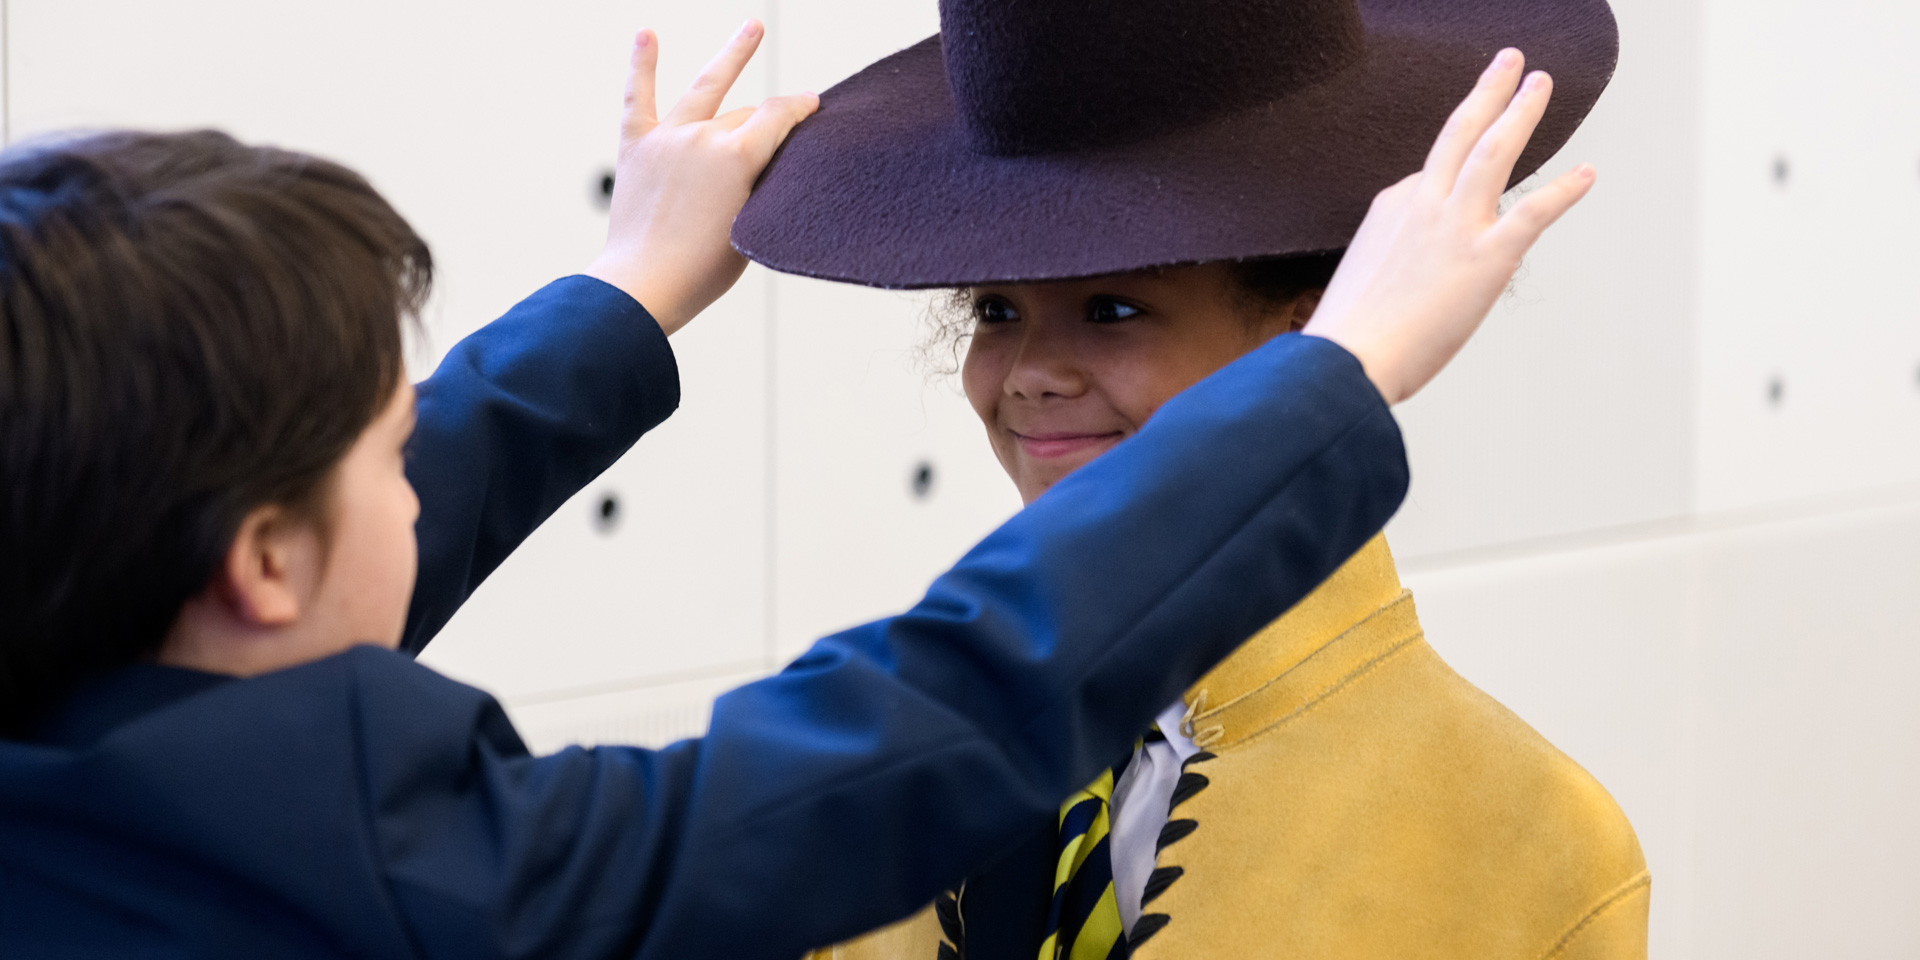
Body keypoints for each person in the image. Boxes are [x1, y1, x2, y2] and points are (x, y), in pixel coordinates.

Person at [0, 17, 1544, 960]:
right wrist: (1330, 387)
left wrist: (624, 295)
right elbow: (929, 718)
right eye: (387, 456)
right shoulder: (397, 868)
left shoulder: (70, 700)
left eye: (1116, 312)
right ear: (262, 561)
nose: (425, 490)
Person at [736, 0, 1647, 957]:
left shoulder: (1528, 841)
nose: (1033, 372)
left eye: (1114, 308)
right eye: (997, 309)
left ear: (1312, 341)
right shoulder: (886, 764)